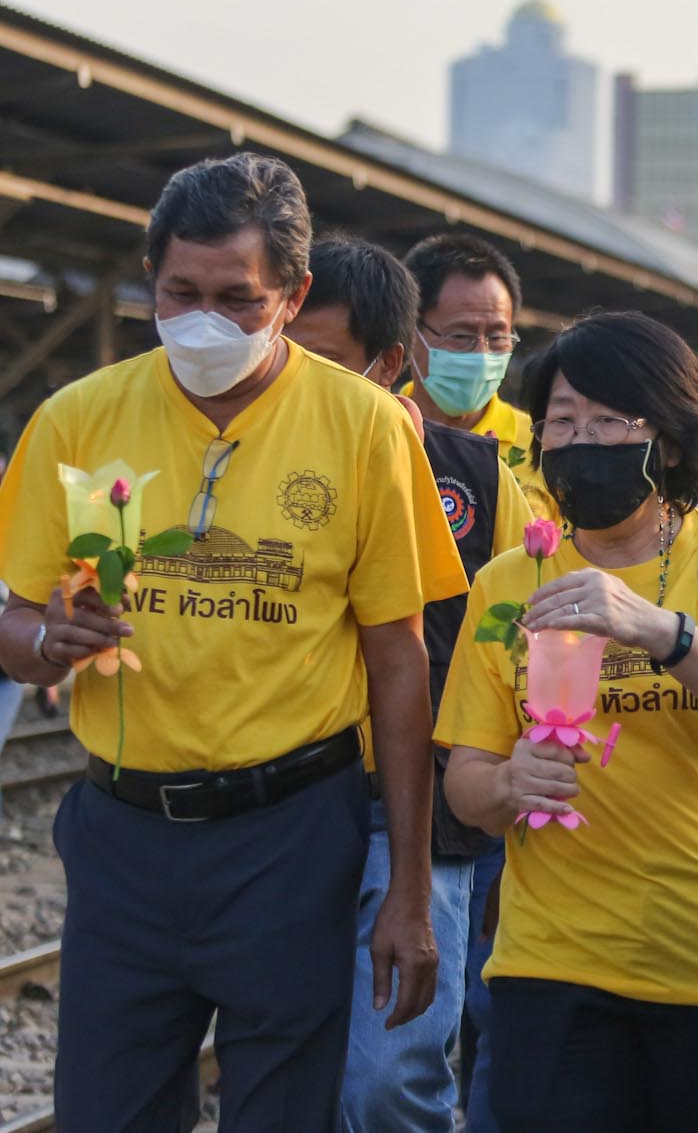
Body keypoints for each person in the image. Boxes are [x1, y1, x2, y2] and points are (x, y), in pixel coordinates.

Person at [0, 154, 465, 1128]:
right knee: (105, 1112)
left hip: (292, 836)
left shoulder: (366, 430)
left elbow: (398, 659)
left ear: (292, 296)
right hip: (121, 834)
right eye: (180, 292)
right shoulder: (77, 421)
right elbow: (10, 622)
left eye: (235, 299)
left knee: (279, 1113)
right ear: (149, 280)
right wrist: (47, 640)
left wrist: (410, 892)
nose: (201, 320)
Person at [438, 311, 698, 1132]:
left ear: (670, 442)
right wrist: (508, 780)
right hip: (552, 962)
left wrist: (664, 631)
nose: (581, 440)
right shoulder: (510, 580)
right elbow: (466, 783)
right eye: (563, 421)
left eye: (610, 420)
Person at [289, 236, 536, 1133]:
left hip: (421, 813)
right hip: (287, 800)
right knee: (288, 1064)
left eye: (321, 359)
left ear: (389, 361)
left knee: (393, 1078)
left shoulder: (478, 476)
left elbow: (515, 631)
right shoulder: (239, 458)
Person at [402, 233, 553, 520]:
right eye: (461, 335)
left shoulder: (544, 445)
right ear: (410, 332)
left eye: (497, 336)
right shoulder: (380, 431)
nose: (482, 354)